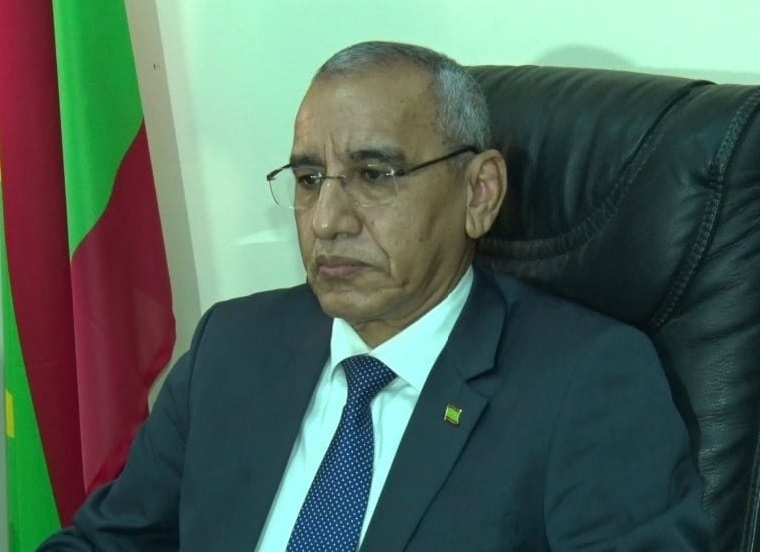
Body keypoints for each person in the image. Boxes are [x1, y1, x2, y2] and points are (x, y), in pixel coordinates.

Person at [38, 41, 708, 551]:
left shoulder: (587, 384)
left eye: (374, 174)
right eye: (309, 179)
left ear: (479, 193)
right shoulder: (233, 347)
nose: (327, 220)